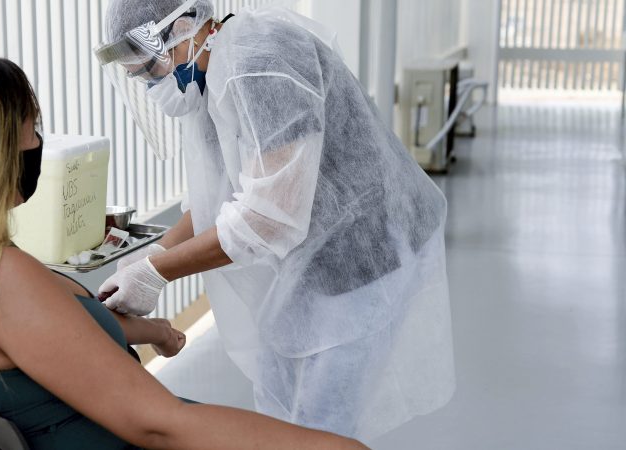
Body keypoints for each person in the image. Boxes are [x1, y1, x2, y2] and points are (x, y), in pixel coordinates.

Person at [0, 54, 369, 450]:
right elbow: (159, 424)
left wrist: (146, 328)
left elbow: (47, 343)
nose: (39, 144)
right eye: (32, 130)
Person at [95, 0, 456, 441]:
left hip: (368, 253)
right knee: (278, 415)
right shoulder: (208, 81)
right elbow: (217, 200)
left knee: (320, 429)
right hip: (311, 262)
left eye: (151, 68)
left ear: (184, 26)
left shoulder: (261, 59)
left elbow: (269, 216)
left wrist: (156, 273)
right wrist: (154, 254)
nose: (152, 83)